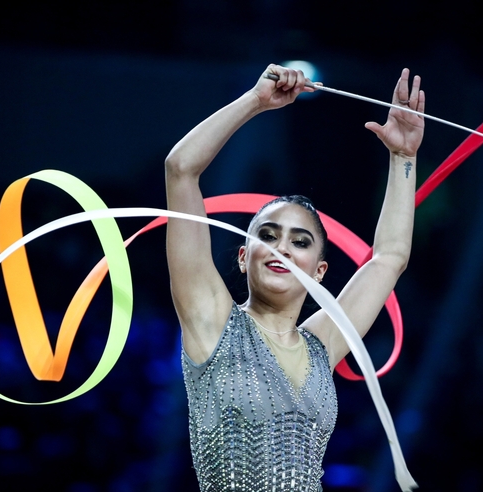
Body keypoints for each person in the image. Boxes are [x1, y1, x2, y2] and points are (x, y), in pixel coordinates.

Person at [165, 63, 424, 490]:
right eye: (268, 235)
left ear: (320, 271)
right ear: (244, 257)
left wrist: (403, 158)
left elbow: (389, 257)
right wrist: (254, 102)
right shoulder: (211, 320)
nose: (282, 247)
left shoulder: (324, 344)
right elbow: (180, 169)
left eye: (300, 241)